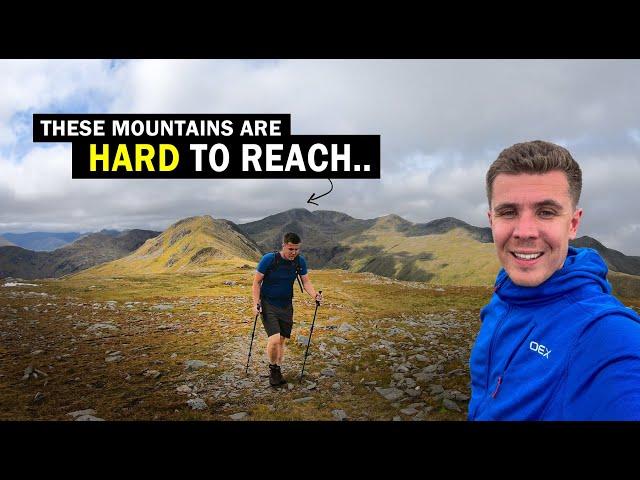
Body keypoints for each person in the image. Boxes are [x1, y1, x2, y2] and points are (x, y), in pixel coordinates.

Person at [468, 140, 640, 420]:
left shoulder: (608, 333)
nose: (524, 232)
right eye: (508, 212)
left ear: (573, 223)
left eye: (546, 212)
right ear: (491, 220)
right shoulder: (504, 295)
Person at [252, 232, 322, 387]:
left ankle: (277, 367)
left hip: (286, 305)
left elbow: (306, 282)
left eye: (297, 249)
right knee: (275, 339)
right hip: (268, 303)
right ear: (283, 245)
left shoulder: (299, 261)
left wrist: (314, 294)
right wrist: (256, 303)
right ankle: (273, 370)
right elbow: (256, 283)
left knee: (282, 340)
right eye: (291, 249)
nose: (294, 252)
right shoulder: (269, 259)